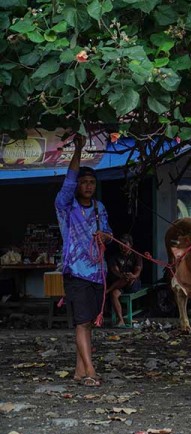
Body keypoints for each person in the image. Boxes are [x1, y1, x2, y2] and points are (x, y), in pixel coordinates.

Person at [55, 140, 112, 387]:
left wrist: (105, 236)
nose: (88, 186)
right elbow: (68, 180)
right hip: (76, 272)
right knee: (81, 322)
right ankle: (90, 371)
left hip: (98, 273)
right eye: (84, 182)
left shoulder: (100, 208)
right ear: (77, 185)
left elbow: (109, 234)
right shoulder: (66, 206)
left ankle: (79, 371)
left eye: (92, 183)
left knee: (88, 323)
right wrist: (78, 150)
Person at [106, 234, 143, 327]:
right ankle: (121, 320)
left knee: (129, 278)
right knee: (114, 294)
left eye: (125, 243)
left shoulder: (136, 255)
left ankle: (108, 290)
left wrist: (133, 276)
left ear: (130, 244)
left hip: (133, 284)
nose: (122, 246)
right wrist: (122, 275)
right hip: (120, 284)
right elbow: (114, 270)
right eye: (120, 244)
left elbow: (138, 271)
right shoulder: (114, 257)